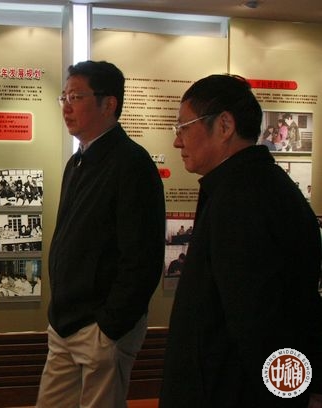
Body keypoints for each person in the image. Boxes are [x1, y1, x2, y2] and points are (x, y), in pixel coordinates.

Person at [160, 74, 322, 407]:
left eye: (183, 127)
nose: (177, 142)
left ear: (224, 125)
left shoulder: (243, 200)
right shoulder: (251, 186)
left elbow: (259, 323)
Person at [36, 60, 165, 408]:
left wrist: (110, 326)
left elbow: (143, 257)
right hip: (64, 323)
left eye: (76, 97)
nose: (66, 106)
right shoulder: (77, 162)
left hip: (101, 328)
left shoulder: (132, 163)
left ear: (109, 104)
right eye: (64, 97)